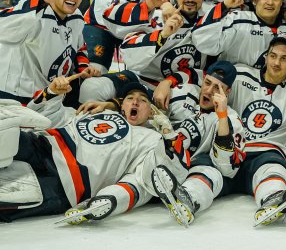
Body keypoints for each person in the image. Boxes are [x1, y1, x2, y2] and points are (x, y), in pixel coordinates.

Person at [152, 35, 286, 226]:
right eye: (273, 56)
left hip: (267, 153)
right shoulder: (242, 74)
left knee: (272, 168)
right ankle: (188, 198)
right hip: (231, 154)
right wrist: (167, 82)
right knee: (205, 168)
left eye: (284, 59)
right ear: (266, 56)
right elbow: (203, 77)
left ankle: (274, 198)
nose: (276, 63)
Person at [0, 82, 170, 223]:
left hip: (64, 184)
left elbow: (143, 178)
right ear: (121, 104)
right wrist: (52, 92)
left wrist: (113, 198)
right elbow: (47, 118)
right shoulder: (98, 110)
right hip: (41, 145)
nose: (135, 102)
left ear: (151, 111)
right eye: (130, 98)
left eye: (143, 100)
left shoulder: (152, 139)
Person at [150, 61, 246, 226]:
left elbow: (227, 170)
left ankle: (188, 199)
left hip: (197, 172)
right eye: (207, 83)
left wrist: (222, 117)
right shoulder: (185, 95)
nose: (208, 91)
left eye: (217, 88)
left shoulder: (232, 120)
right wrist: (165, 83)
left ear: (227, 92)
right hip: (167, 164)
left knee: (210, 171)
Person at [0, 0, 97, 125]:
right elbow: (3, 27)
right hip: (14, 99)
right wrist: (42, 1)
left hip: (49, 98)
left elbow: (79, 47)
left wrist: (83, 67)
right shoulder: (34, 8)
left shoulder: (77, 17)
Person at [193, 0, 286, 68]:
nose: (270, 2)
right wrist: (224, 5)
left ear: (281, 2)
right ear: (254, 0)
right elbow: (202, 40)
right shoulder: (236, 20)